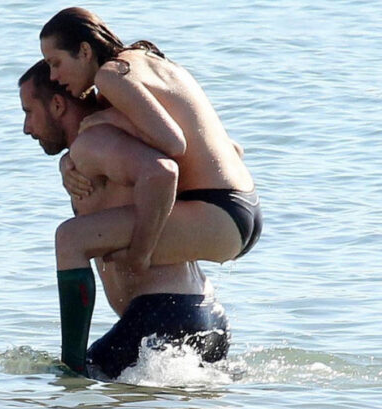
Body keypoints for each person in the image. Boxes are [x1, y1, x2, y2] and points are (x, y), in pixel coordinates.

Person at [19, 60, 232, 379]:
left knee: (71, 379)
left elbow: (161, 172)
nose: (26, 128)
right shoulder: (103, 146)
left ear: (58, 105)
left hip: (164, 314)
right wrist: (66, 162)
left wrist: (140, 254)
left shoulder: (97, 142)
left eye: (28, 112)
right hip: (206, 315)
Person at [40, 7, 262, 275]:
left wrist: (111, 119)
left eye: (55, 63)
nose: (52, 77)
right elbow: (234, 148)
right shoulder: (149, 61)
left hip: (215, 213)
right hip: (244, 205)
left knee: (75, 239)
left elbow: (174, 144)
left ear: (85, 51)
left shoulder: (111, 75)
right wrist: (66, 162)